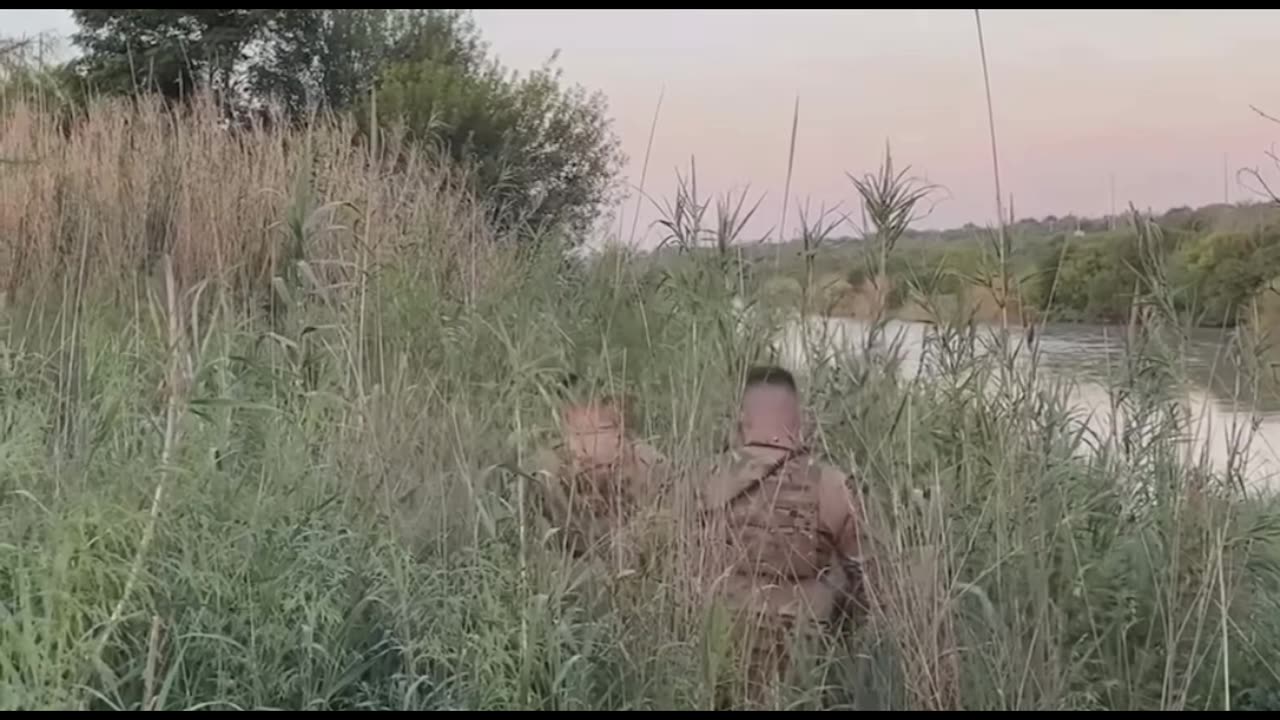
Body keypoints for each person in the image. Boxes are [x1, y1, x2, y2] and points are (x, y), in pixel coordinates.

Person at [696, 365, 864, 706]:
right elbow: (866, 582)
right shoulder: (830, 484)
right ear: (799, 421)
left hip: (720, 645)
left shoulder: (707, 476)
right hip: (800, 659)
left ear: (743, 418)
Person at [529, 390, 668, 575]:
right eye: (575, 433)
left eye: (597, 432)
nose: (583, 447)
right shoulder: (543, 476)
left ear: (621, 435)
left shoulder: (651, 469)